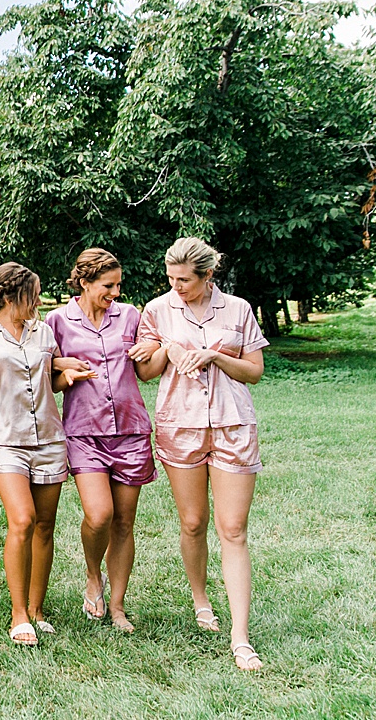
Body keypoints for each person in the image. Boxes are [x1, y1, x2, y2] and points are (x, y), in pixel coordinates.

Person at [136, 237, 268, 671]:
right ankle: (200, 599)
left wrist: (214, 355)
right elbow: (146, 371)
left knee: (233, 529)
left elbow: (254, 372)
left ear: (208, 276)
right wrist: (167, 350)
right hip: (181, 425)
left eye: (185, 280)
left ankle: (240, 636)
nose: (177, 286)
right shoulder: (157, 310)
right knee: (193, 522)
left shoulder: (238, 309)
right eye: (171, 279)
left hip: (232, 425)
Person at [0, 262, 94, 647]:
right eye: (32, 295)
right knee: (22, 519)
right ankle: (18, 614)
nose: (38, 302)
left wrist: (65, 374)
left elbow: (48, 376)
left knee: (45, 526)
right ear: (11, 295)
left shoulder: (43, 332)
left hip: (50, 438)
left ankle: (37, 609)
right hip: (6, 438)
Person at [46, 248, 155, 632]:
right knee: (100, 515)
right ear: (85, 283)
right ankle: (94, 576)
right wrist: (65, 372)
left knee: (124, 522)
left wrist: (155, 349)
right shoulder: (58, 321)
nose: (115, 292)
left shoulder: (130, 316)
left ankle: (119, 605)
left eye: (118, 285)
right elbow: (50, 381)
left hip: (130, 429)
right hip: (83, 429)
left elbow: (145, 371)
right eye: (108, 285)